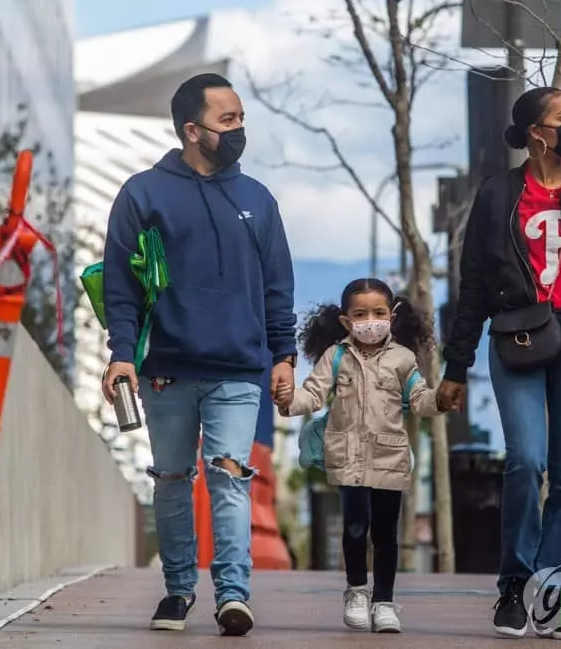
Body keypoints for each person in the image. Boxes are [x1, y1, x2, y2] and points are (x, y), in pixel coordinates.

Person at [101, 73, 297, 637]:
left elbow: (277, 286)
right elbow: (120, 285)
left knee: (229, 478)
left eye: (240, 118)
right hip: (165, 368)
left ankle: (233, 595)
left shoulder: (258, 199)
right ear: (192, 130)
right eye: (226, 120)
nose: (238, 130)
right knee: (170, 479)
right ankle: (179, 590)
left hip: (238, 368)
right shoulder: (142, 194)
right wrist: (121, 355)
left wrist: (283, 355)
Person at [437, 87, 561, 640]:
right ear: (535, 132)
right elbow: (473, 285)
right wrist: (456, 366)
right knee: (525, 461)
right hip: (518, 337)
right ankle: (512, 589)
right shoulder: (497, 194)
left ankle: (558, 597)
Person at [274, 278, 445, 634]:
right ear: (345, 320)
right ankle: (356, 590)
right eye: (361, 314)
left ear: (392, 316)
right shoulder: (335, 357)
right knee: (354, 526)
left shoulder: (404, 359)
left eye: (379, 313)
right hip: (347, 456)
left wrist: (440, 400)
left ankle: (384, 602)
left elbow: (419, 399)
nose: (371, 321)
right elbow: (314, 394)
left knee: (386, 532)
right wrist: (289, 402)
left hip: (389, 457)